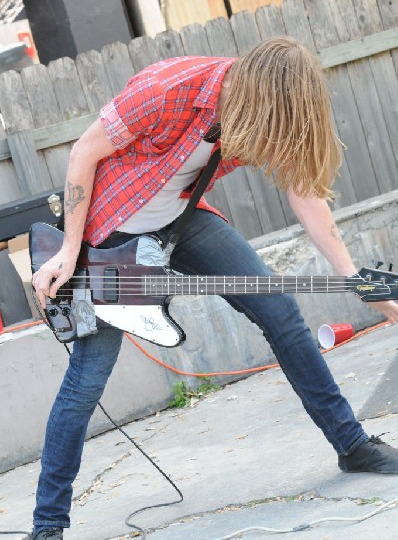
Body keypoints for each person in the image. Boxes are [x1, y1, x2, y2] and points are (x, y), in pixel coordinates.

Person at [31, 37, 398, 539]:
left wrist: (360, 281)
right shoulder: (168, 89)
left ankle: (352, 445)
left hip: (181, 222)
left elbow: (306, 196)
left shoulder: (260, 113)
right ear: (255, 92)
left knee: (280, 312)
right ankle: (48, 524)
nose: (274, 134)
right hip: (108, 238)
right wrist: (70, 250)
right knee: (88, 379)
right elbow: (83, 154)